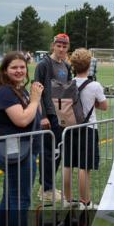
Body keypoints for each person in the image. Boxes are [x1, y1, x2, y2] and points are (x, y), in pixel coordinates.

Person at [0, 52, 43, 226]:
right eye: (14, 67)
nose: (19, 71)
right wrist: (36, 100)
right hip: (18, 154)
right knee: (20, 201)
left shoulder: (18, 91)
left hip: (23, 152)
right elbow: (21, 120)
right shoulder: (6, 93)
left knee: (10, 200)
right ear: (4, 70)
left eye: (22, 67)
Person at [63, 48, 108, 209]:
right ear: (89, 65)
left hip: (70, 128)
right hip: (88, 128)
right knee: (84, 167)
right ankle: (85, 201)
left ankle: (67, 200)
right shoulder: (94, 85)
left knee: (67, 164)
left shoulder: (69, 83)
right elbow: (104, 106)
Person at [33, 33, 72, 203]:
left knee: (57, 153)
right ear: (53, 46)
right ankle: (46, 189)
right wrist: (42, 116)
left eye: (64, 46)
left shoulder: (66, 66)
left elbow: (68, 91)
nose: (61, 49)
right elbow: (37, 90)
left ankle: (47, 187)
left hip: (62, 116)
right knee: (48, 153)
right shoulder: (44, 65)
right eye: (59, 45)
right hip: (49, 115)